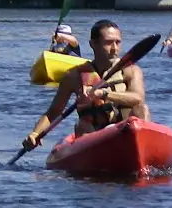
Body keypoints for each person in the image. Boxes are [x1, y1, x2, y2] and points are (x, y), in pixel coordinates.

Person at [22, 20, 150, 151]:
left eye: (118, 42)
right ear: (93, 44)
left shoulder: (131, 70)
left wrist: (103, 93)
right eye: (108, 43)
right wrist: (35, 134)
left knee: (142, 109)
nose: (115, 49)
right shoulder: (74, 76)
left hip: (125, 130)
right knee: (81, 125)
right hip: (94, 134)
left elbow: (138, 98)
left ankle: (143, 148)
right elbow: (54, 111)